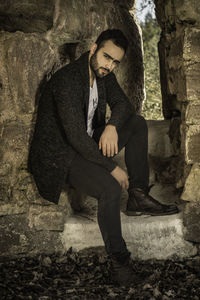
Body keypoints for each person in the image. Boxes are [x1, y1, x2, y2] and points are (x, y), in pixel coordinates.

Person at [28, 29, 178, 286]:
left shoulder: (103, 74)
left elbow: (124, 106)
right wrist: (112, 168)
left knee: (137, 123)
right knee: (110, 188)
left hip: (88, 142)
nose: (109, 65)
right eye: (107, 57)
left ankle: (138, 196)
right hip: (63, 154)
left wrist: (110, 127)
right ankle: (120, 264)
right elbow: (75, 137)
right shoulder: (67, 80)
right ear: (94, 48)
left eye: (115, 62)